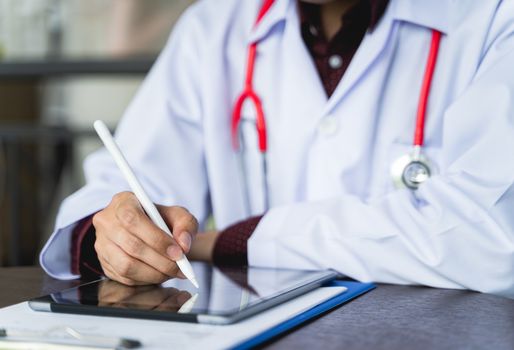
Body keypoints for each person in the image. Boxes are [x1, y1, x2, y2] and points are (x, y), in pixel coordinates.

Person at [40, 0, 514, 296]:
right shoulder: (214, 25)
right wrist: (117, 232)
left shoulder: (494, 17)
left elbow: (493, 236)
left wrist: (232, 244)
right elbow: (121, 187)